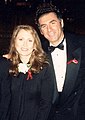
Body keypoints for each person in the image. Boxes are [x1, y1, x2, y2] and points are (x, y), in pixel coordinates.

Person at [35, 3, 85, 120]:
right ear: (41, 31)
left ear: (61, 23)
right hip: (49, 115)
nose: (49, 29)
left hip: (77, 113)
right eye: (44, 26)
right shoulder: (38, 52)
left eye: (52, 23)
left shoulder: (82, 44)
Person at [4, 24, 54, 120]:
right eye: (21, 39)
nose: (25, 44)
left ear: (35, 45)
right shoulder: (6, 66)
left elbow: (46, 104)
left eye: (30, 40)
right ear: (14, 42)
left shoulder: (45, 69)